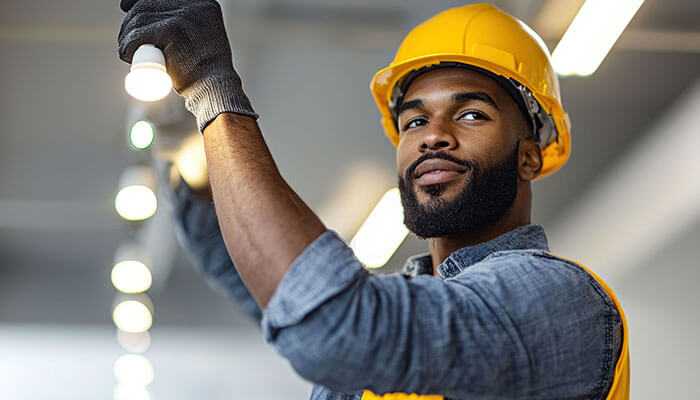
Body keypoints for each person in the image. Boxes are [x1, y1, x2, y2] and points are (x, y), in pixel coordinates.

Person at [119, 2, 630, 399]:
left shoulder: (557, 300)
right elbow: (262, 278)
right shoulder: (405, 302)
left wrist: (214, 89)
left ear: (530, 156)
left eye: (471, 114)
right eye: (414, 120)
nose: (434, 135)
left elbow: (330, 323)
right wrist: (187, 158)